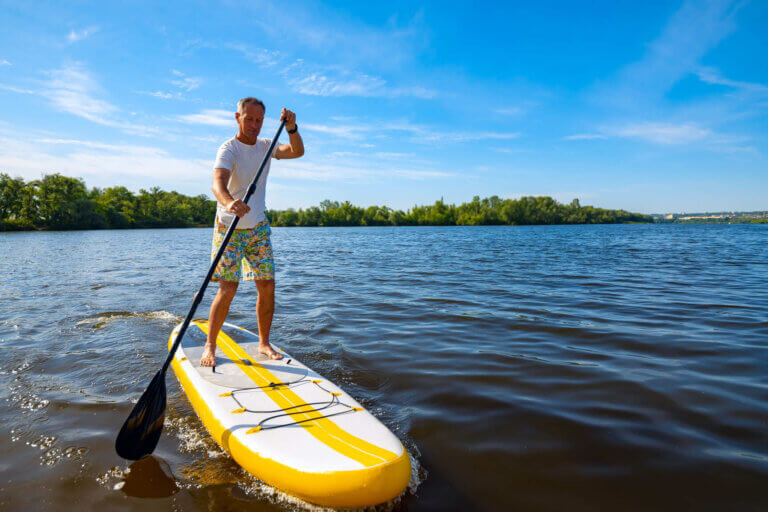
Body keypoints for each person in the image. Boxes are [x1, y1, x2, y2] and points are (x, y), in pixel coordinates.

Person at [200, 97, 304, 367]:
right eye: (249, 119)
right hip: (229, 227)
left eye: (259, 120)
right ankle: (210, 345)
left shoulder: (267, 146)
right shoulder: (229, 148)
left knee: (267, 285)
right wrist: (228, 201)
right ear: (238, 117)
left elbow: (296, 152)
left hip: (257, 226)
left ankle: (264, 343)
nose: (255, 125)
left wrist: (292, 128)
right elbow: (217, 182)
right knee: (228, 288)